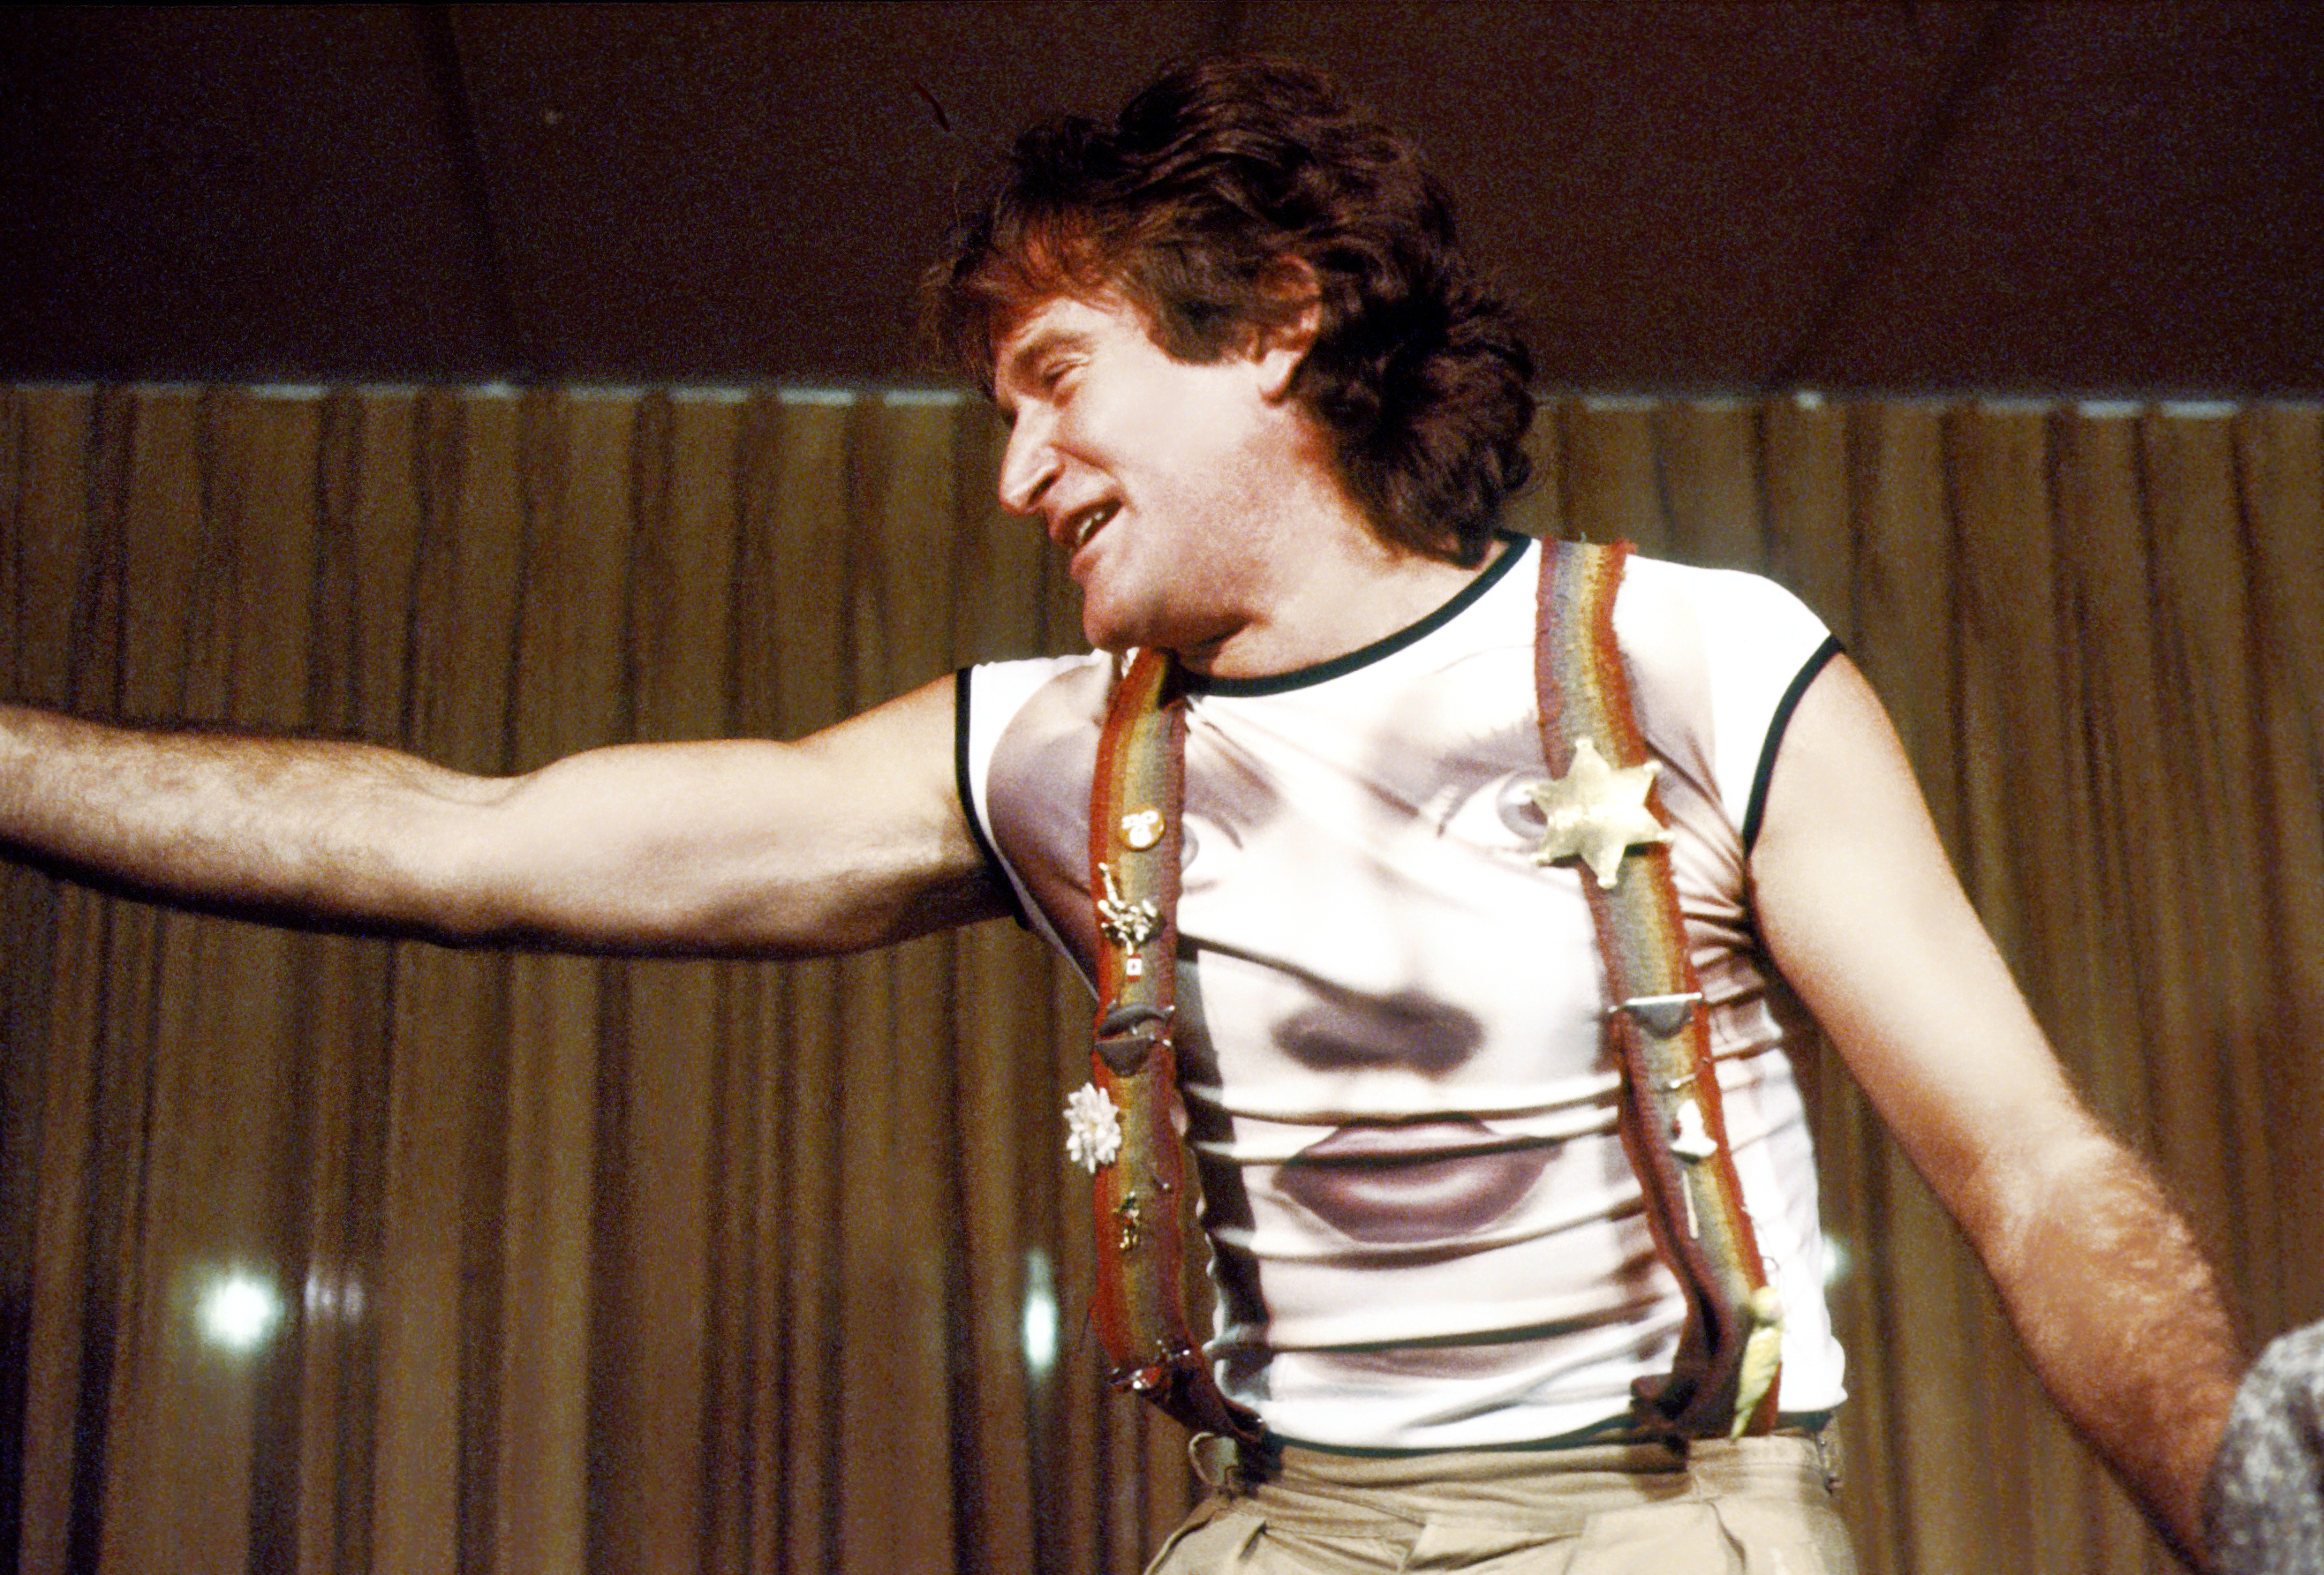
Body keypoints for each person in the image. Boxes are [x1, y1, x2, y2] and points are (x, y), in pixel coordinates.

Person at [0, 57, 2243, 1573]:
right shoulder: (1056, 753)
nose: (1013, 474)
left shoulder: (1693, 661)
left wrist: (2249, 1507)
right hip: (1277, 1534)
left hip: (1668, 1525)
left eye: (1054, 381)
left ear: (1270, 321)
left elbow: (2033, 1172)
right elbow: (468, 848)